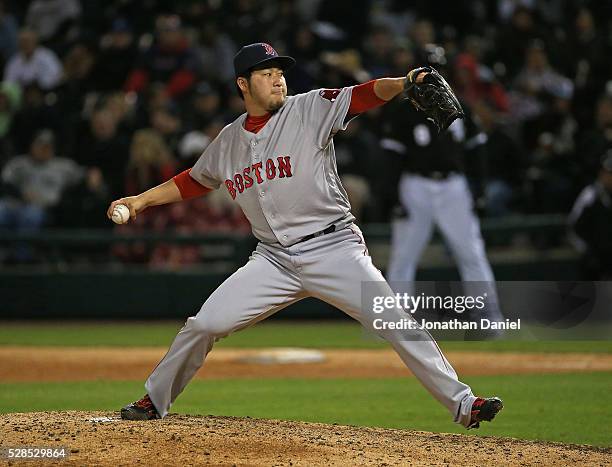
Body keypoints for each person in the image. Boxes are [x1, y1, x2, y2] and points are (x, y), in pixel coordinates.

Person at [109, 43, 503, 428]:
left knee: (396, 321)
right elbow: (194, 181)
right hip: (272, 261)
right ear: (243, 84)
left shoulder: (309, 107)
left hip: (334, 247)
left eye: (280, 73)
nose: (278, 80)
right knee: (203, 325)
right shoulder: (229, 140)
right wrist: (141, 201)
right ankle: (153, 401)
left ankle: (463, 403)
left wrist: (406, 81)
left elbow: (364, 95)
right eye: (267, 74)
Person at [569, 150, 612, 279]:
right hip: (596, 261)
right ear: (602, 173)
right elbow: (573, 228)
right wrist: (588, 251)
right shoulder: (590, 196)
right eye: (609, 173)